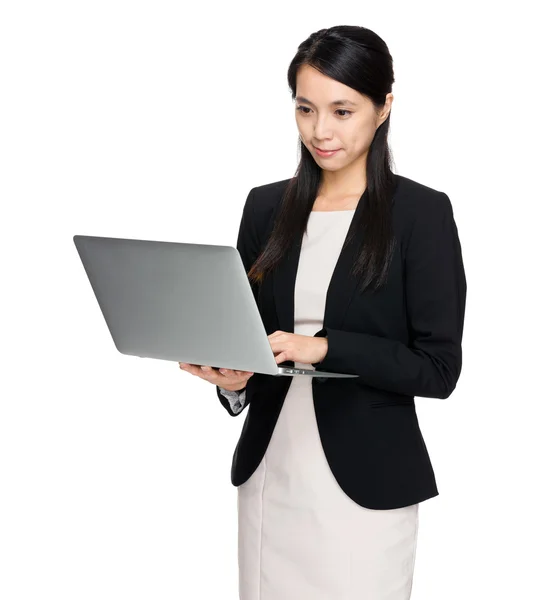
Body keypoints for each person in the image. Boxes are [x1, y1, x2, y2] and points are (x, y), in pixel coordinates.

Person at [178, 25, 467, 600]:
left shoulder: (421, 214)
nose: (320, 130)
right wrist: (234, 381)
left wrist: (327, 346)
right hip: (270, 476)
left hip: (366, 487)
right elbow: (252, 337)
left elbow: (437, 370)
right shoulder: (266, 207)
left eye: (342, 110)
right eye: (305, 109)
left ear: (384, 106)